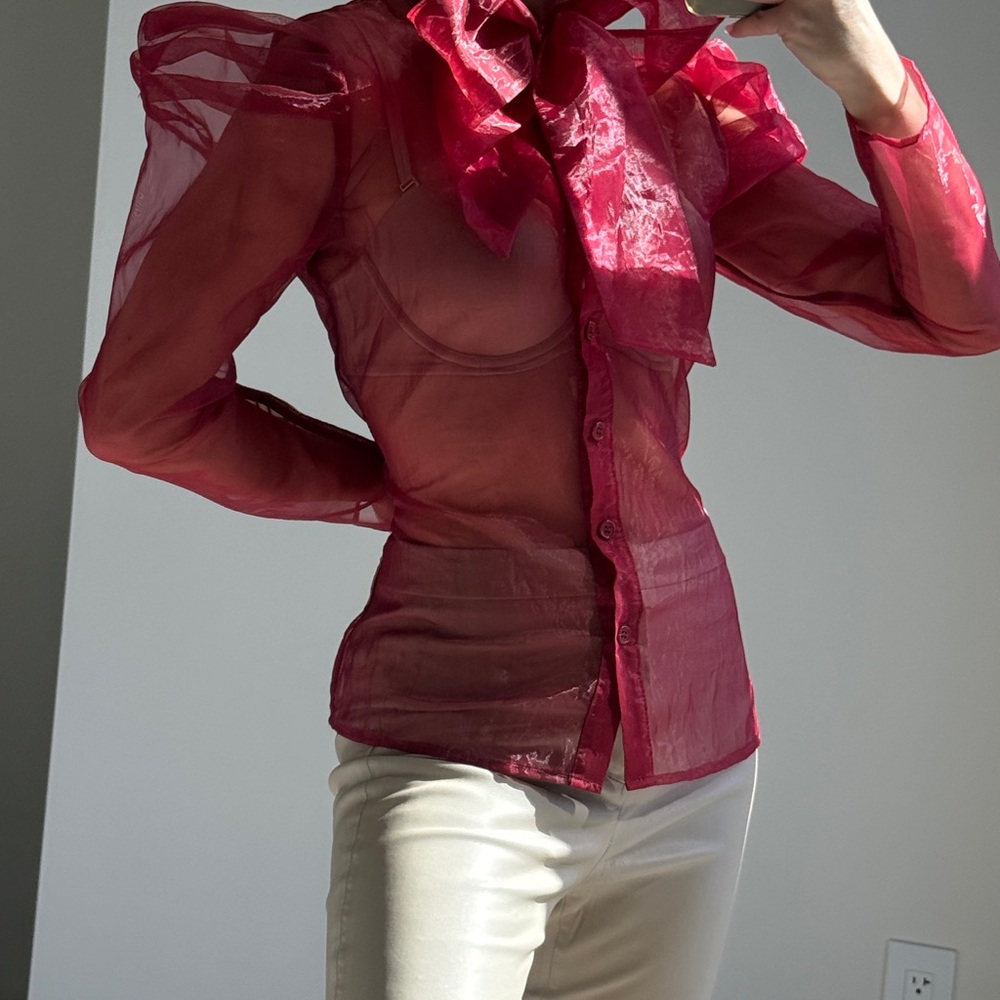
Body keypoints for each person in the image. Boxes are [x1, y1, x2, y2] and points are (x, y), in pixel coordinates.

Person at [79, 0, 1000, 995]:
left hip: (692, 757)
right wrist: (398, 492)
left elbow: (956, 311)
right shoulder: (342, 78)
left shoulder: (667, 90)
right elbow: (138, 404)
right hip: (457, 741)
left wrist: (869, 73)